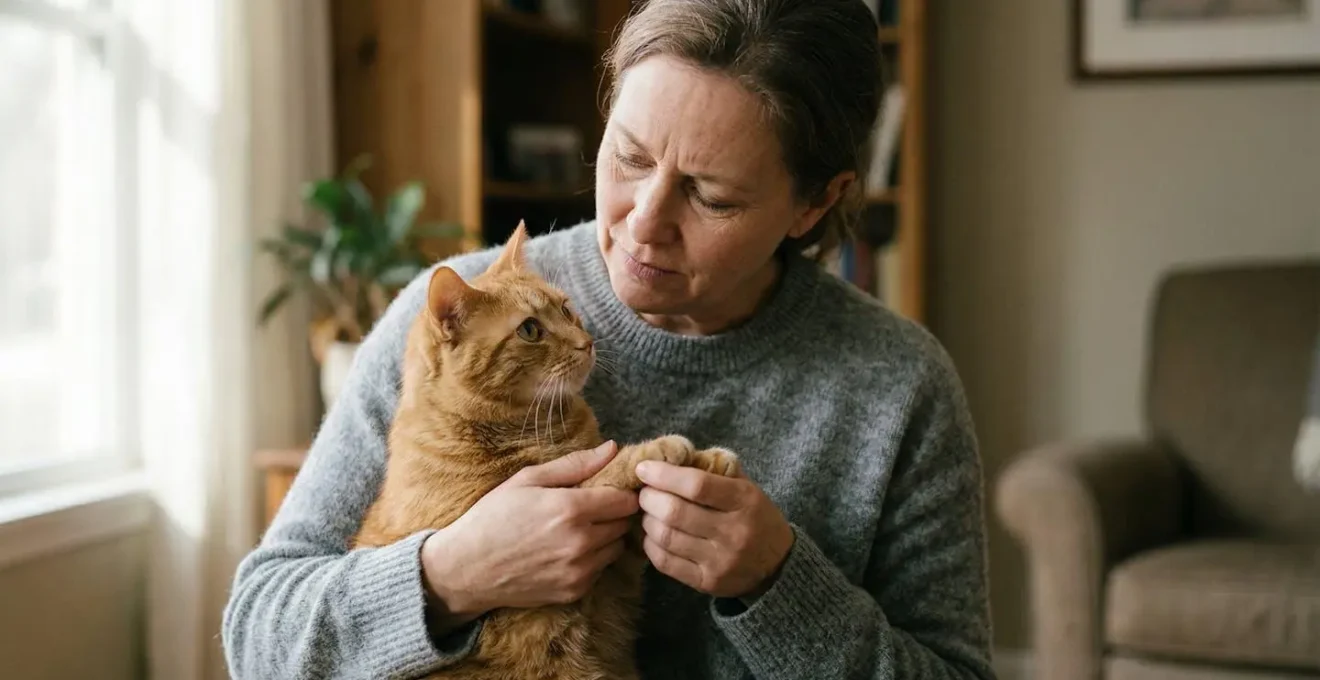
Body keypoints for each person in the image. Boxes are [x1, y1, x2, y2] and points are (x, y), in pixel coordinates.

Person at [222, 0, 994, 678]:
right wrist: (449, 575)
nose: (643, 223)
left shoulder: (898, 385)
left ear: (813, 205)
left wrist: (778, 585)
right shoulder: (449, 321)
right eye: (628, 156)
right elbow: (259, 635)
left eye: (710, 195)